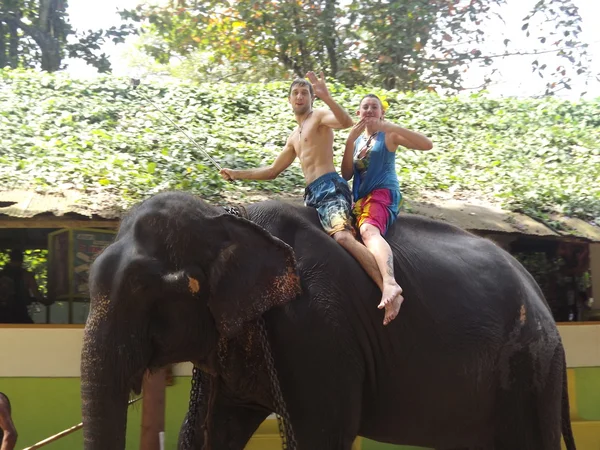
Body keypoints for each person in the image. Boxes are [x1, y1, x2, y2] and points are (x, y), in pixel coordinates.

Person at [219, 72, 402, 324]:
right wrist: (237, 174)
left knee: (343, 237)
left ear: (311, 98)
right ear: (289, 99)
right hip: (311, 194)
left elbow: (346, 120)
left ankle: (389, 287)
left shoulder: (318, 118)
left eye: (305, 93)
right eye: (295, 93)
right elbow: (273, 171)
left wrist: (327, 97)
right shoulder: (294, 137)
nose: (299, 96)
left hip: (330, 187)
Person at [341, 94, 433, 322]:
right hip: (360, 200)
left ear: (382, 113)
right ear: (358, 113)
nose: (370, 110)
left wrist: (389, 126)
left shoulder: (389, 135)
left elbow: (427, 145)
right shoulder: (359, 142)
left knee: (368, 232)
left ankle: (390, 283)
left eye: (375, 107)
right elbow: (346, 174)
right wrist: (348, 143)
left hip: (382, 193)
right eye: (365, 107)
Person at [0, 249, 52, 324]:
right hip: (20, 314)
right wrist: (47, 301)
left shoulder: (1, 274)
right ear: (22, 260)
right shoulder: (26, 275)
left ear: (10, 258)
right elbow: (37, 295)